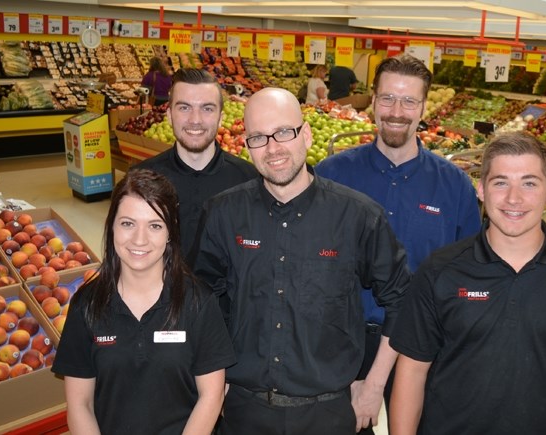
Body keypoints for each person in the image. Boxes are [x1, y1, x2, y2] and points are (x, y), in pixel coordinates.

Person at [191, 87, 410, 435]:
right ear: (246, 145)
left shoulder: (358, 217)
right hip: (243, 411)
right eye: (258, 138)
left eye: (283, 132)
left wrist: (373, 385)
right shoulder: (222, 214)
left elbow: (402, 301)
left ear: (306, 135)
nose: (273, 148)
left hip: (329, 414)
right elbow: (200, 302)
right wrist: (212, 379)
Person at [389, 132, 546, 435]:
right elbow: (411, 370)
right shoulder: (440, 271)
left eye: (529, 183)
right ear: (481, 190)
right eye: (500, 182)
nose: (514, 198)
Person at [315, 53, 481, 434]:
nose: (396, 111)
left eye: (409, 101)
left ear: (424, 107)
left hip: (422, 345)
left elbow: (468, 273)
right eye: (388, 98)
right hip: (341, 341)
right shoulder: (330, 176)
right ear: (372, 100)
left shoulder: (454, 186)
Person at [52, 169, 235, 434]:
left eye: (155, 225)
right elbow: (80, 404)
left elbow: (212, 395)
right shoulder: (87, 304)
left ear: (170, 232)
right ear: (111, 225)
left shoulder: (199, 302)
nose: (140, 239)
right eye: (128, 223)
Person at [134, 68, 258, 262]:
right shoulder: (141, 179)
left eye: (207, 108)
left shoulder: (249, 180)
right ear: (169, 115)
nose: (195, 120)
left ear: (221, 117)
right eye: (184, 108)